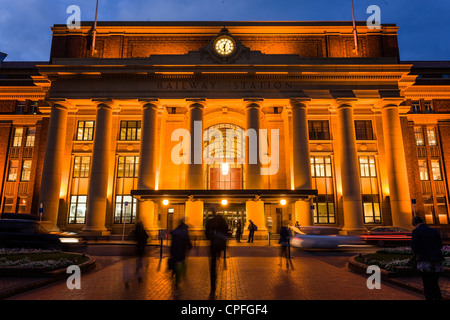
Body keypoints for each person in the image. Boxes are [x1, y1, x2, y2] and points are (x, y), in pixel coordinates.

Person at [411, 216, 444, 300]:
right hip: (437, 260)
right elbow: (440, 245)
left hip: (424, 260)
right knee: (435, 283)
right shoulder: (434, 231)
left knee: (427, 284)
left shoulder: (416, 231)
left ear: (415, 223)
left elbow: (414, 247)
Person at [205, 208, 228, 296]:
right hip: (220, 244)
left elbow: (206, 233)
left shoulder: (210, 222)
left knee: (213, 265)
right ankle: (219, 256)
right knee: (216, 260)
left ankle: (213, 284)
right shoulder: (223, 222)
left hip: (213, 245)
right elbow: (226, 231)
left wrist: (210, 238)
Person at [169, 218, 193, 289]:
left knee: (177, 262)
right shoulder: (184, 231)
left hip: (174, 249)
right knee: (182, 261)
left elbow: (172, 239)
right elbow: (187, 239)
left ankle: (177, 279)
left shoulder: (176, 230)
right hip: (182, 249)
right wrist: (189, 245)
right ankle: (182, 276)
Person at [124, 220, 148, 287]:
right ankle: (139, 278)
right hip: (140, 248)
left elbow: (130, 237)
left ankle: (128, 281)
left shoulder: (135, 231)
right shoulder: (142, 231)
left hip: (137, 248)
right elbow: (146, 237)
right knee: (140, 263)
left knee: (135, 264)